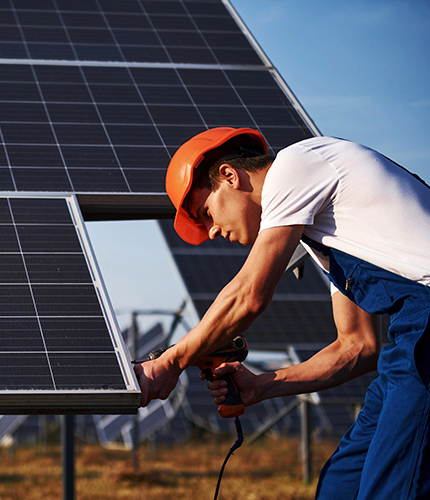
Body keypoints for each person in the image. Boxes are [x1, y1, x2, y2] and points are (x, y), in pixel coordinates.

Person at [133, 127, 430, 499]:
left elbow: (249, 296)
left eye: (205, 212)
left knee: (392, 489)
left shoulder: (296, 165)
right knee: (341, 485)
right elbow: (358, 347)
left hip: (425, 327)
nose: (210, 231)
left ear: (229, 175)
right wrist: (261, 386)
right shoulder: (332, 235)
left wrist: (172, 361)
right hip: (413, 338)